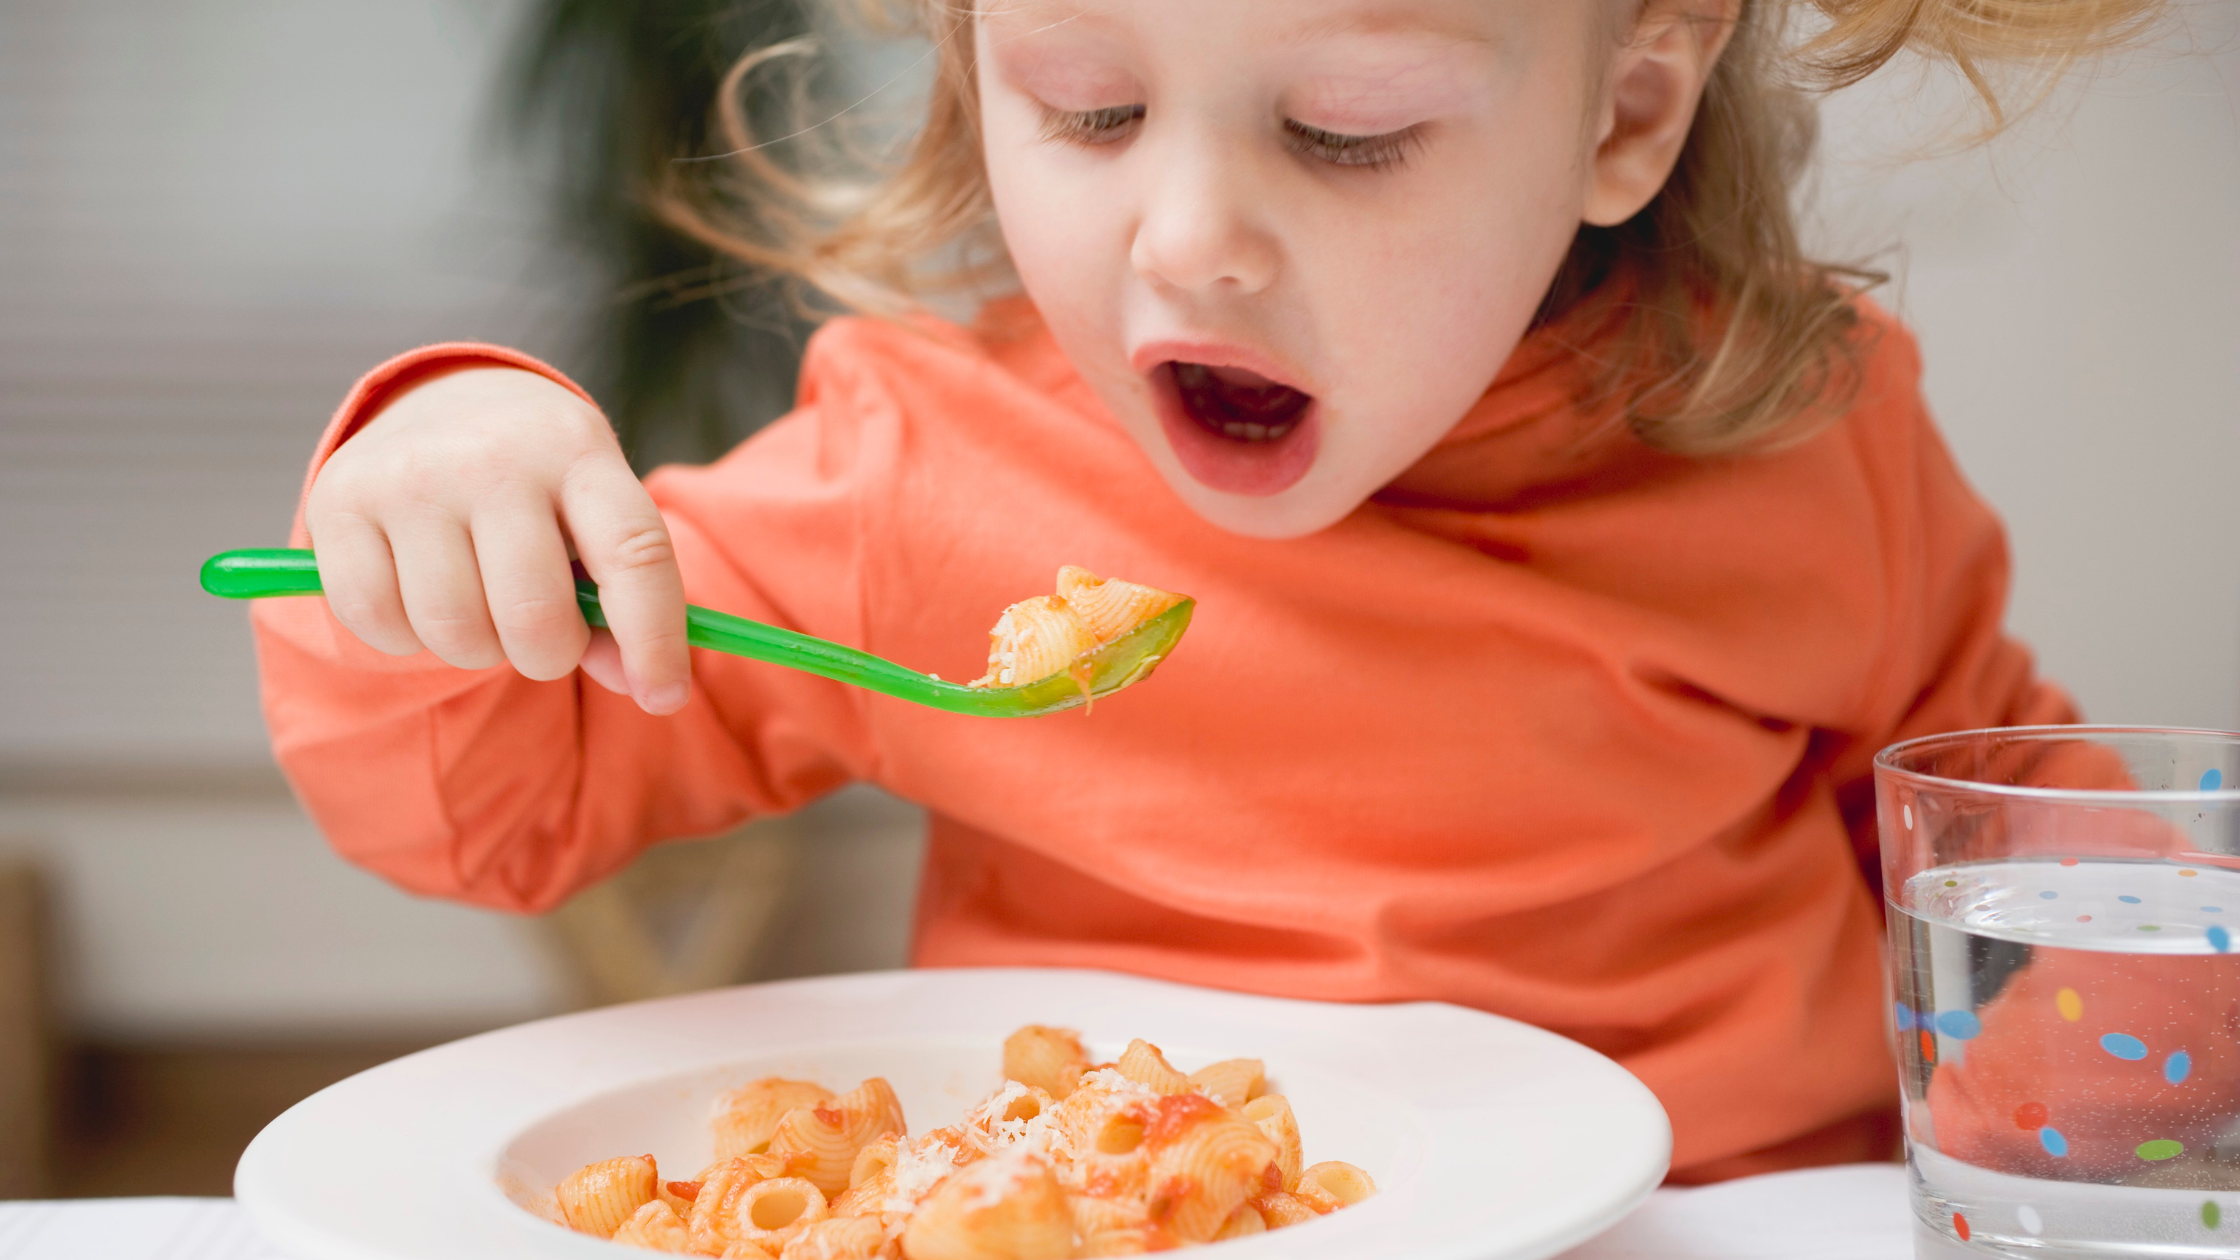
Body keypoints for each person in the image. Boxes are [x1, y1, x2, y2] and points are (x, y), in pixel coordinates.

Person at [249, 0, 2156, 1182]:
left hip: (1721, 1216)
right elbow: (483, 804)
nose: (1190, 242)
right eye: (1086, 105)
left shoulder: (1811, 433)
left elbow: (1993, 824)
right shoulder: (924, 480)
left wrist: (2133, 1077)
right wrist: (448, 490)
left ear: (1626, 110)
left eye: (1347, 129)